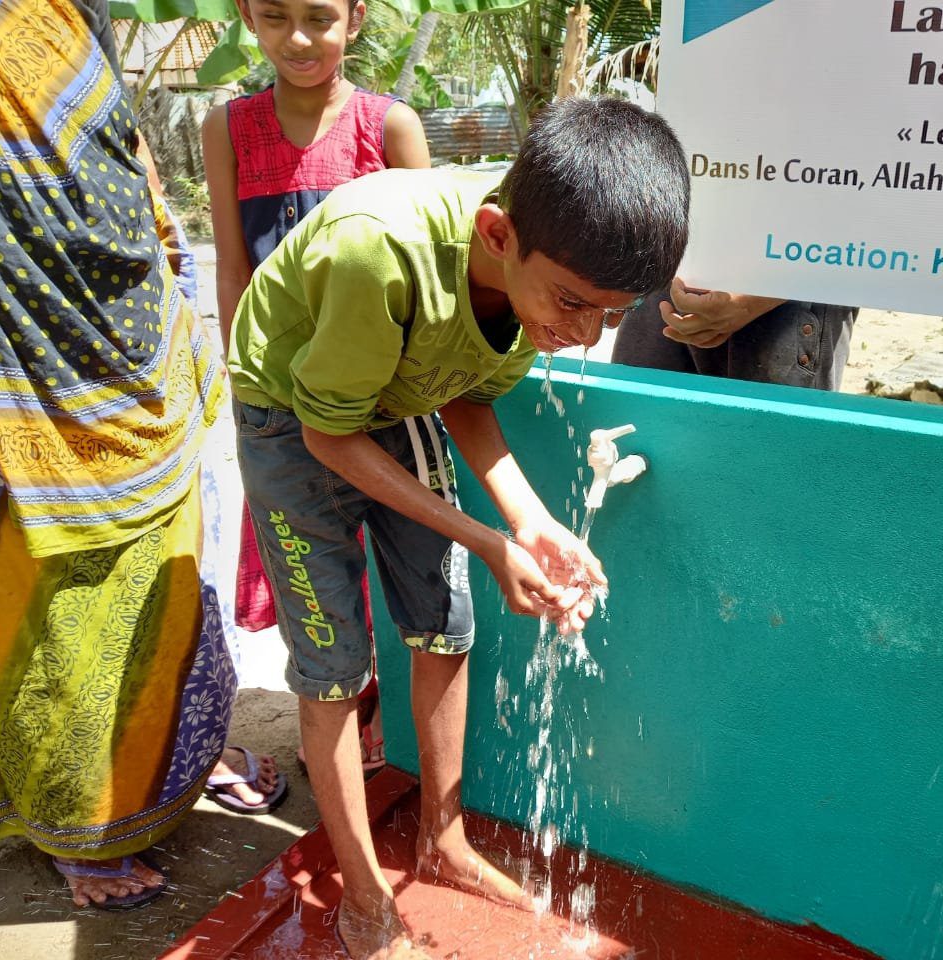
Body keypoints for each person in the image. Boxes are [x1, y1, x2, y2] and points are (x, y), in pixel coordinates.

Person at [228, 97, 690, 958]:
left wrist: (530, 518)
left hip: (395, 381)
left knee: (445, 627)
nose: (582, 335)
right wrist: (485, 539)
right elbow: (330, 433)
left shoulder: (540, 271)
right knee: (333, 666)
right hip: (293, 410)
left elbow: (467, 392)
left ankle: (445, 844)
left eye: (613, 314)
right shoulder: (380, 252)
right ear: (494, 235)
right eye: (575, 304)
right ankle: (365, 898)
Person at [0, 0, 277, 910]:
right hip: (13, 365)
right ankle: (78, 828)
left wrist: (170, 272)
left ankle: (176, 762)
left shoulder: (66, 10)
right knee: (54, 598)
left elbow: (117, 143)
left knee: (174, 564)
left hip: (132, 326)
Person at [204, 0, 431, 774]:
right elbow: (233, 265)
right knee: (312, 566)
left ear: (356, 18)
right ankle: (334, 722)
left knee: (391, 554)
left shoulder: (388, 126)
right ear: (247, 17)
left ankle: (375, 721)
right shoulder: (228, 129)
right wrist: (246, 387)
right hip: (278, 398)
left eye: (319, 17)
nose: (297, 39)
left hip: (379, 397)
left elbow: (427, 270)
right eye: (274, 17)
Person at [612, 281, 857, 390]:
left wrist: (753, 301)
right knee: (634, 445)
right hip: (669, 268)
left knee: (769, 473)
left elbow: (871, 201)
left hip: (789, 299)